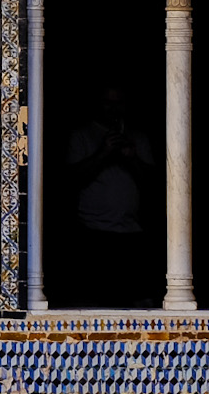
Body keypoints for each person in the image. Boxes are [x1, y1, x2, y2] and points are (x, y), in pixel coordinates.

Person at [67, 85, 156, 306]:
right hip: (93, 232)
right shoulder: (82, 136)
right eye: (108, 102)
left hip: (132, 231)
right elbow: (72, 179)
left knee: (135, 301)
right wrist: (104, 152)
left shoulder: (137, 137)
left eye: (118, 103)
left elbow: (154, 183)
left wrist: (131, 157)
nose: (113, 109)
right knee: (96, 302)